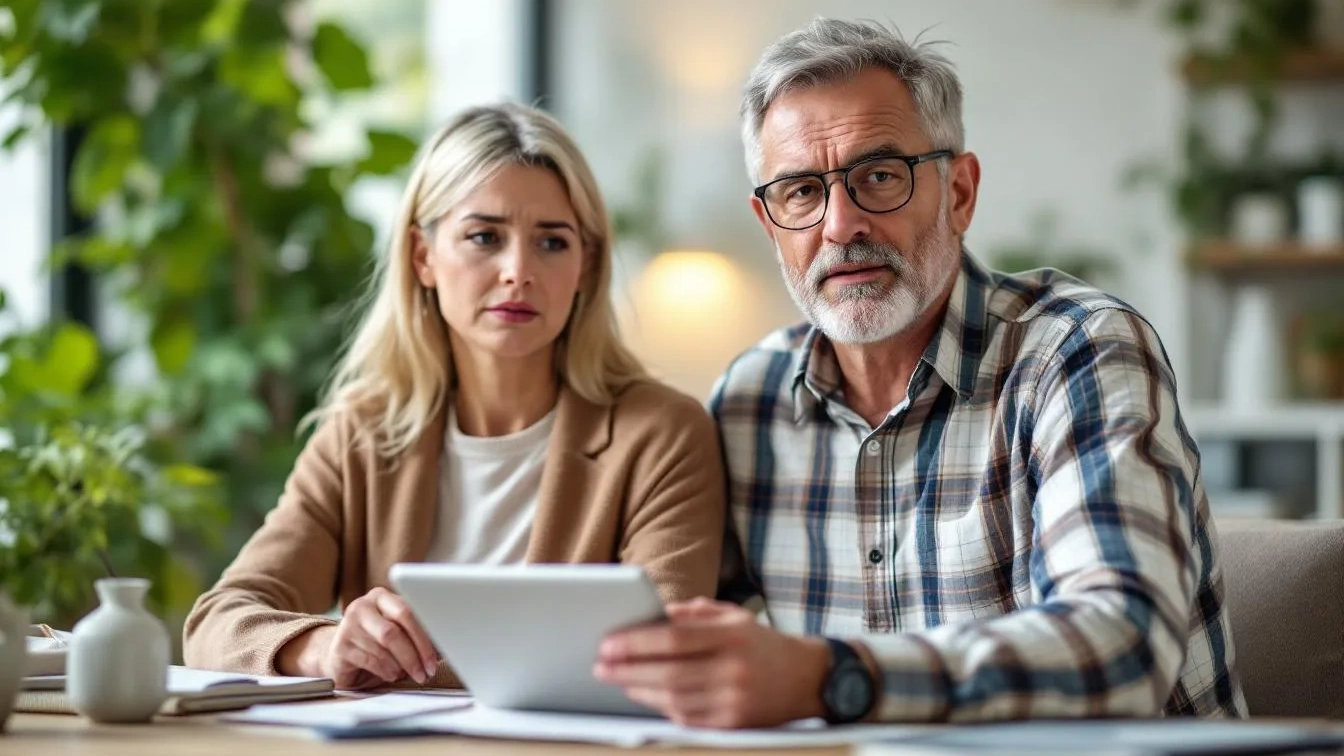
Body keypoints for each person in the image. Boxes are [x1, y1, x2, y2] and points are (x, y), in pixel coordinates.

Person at [594, 18, 1246, 727]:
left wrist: (829, 677)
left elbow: (1123, 648)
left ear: (959, 192)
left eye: (878, 176)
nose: (840, 225)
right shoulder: (748, 403)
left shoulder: (1077, 354)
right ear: (769, 222)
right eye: (802, 193)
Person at [184, 103, 726, 690]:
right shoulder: (361, 431)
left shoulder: (662, 434)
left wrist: (410, 667)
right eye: (484, 237)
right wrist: (324, 646)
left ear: (586, 265)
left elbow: (661, 655)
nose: (518, 271)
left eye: (552, 243)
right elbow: (216, 623)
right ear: (424, 258)